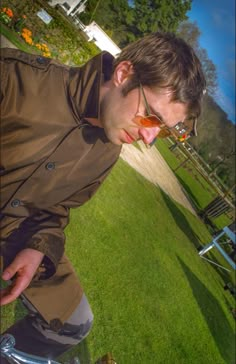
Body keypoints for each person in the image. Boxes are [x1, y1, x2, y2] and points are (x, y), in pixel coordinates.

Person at [0, 32, 206, 359]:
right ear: (123, 74)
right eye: (150, 115)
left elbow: (56, 211)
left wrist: (38, 248)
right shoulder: (15, 80)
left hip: (15, 233)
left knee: (75, 322)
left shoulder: (108, 152)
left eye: (162, 129)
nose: (148, 138)